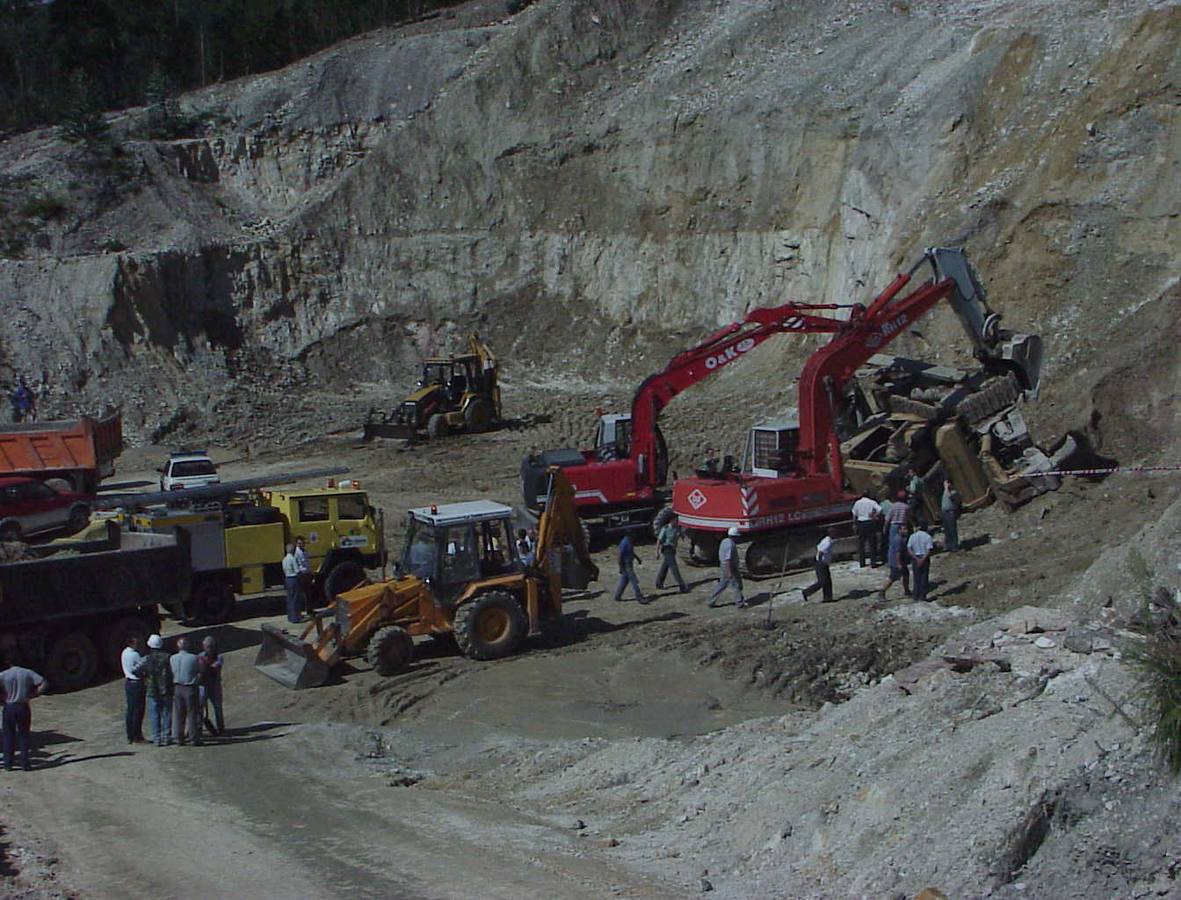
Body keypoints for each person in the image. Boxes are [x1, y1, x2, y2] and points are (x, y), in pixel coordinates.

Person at [0, 653, 46, 771]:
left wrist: (2, 698)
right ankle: (25, 763)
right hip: (23, 706)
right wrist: (34, 694)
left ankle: (8, 763)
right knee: (23, 734)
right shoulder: (28, 673)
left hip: (9, 706)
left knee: (8, 735)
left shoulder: (4, 674)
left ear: (8, 662)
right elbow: (43, 682)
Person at [137, 634, 174, 747]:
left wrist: (145, 677)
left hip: (152, 690)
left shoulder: (147, 659)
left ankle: (157, 739)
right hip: (166, 689)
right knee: (167, 713)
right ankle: (166, 737)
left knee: (155, 715)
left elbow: (136, 671)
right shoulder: (168, 657)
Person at [170, 636, 203, 746]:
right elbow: (199, 672)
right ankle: (193, 738)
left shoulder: (172, 658)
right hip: (189, 687)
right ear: (187, 645)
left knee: (179, 714)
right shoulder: (194, 658)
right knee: (192, 713)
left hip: (177, 687)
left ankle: (179, 738)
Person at [707, 526, 746, 608]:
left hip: (724, 565)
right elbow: (727, 560)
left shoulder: (725, 541)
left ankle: (710, 601)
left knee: (723, 584)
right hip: (729, 567)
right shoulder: (730, 545)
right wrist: (729, 573)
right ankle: (739, 602)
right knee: (735, 584)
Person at [121, 636, 147, 744]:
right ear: (131, 643)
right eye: (136, 643)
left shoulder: (124, 653)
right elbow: (139, 667)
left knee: (130, 710)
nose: (138, 645)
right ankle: (137, 735)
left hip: (128, 683)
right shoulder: (134, 655)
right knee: (138, 710)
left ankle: (130, 735)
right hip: (136, 683)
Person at [801, 527, 839, 603]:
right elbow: (821, 552)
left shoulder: (828, 540)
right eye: (834, 532)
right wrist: (820, 562)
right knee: (822, 581)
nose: (836, 534)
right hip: (821, 563)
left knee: (827, 581)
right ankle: (806, 592)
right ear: (831, 533)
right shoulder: (827, 542)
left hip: (823, 563)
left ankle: (828, 598)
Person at [654, 515, 689, 594]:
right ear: (671, 521)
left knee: (665, 566)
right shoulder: (665, 528)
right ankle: (681, 585)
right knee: (674, 567)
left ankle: (659, 583)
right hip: (667, 548)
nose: (676, 522)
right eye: (675, 521)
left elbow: (682, 535)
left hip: (673, 549)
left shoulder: (677, 528)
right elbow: (659, 540)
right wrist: (657, 552)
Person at [879, 522, 912, 601]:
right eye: (903, 529)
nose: (905, 531)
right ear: (899, 530)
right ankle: (882, 592)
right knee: (892, 578)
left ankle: (907, 591)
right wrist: (899, 564)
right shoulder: (898, 539)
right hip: (896, 562)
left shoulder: (902, 538)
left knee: (906, 575)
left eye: (906, 529)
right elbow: (898, 553)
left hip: (901, 562)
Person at [198, 636, 224, 736]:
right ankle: (198, 728)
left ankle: (220, 728)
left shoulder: (219, 657)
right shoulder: (200, 656)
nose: (207, 648)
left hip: (214, 685)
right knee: (200, 708)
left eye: (209, 646)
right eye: (205, 646)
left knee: (218, 707)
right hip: (203, 686)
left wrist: (203, 665)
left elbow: (215, 667)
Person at [612, 533, 647, 604]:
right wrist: (620, 567)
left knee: (624, 581)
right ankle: (639, 597)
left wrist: (637, 558)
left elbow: (631, 552)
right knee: (634, 581)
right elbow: (620, 555)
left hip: (629, 563)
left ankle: (617, 596)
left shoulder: (629, 541)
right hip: (626, 564)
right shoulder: (624, 542)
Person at [851, 490, 882, 568]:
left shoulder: (857, 503)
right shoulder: (872, 502)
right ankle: (873, 562)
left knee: (861, 544)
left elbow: (854, 514)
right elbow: (880, 509)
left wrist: (854, 524)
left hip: (861, 523)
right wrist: (875, 515)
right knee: (872, 543)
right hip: (870, 522)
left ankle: (862, 562)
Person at [907, 522, 935, 603]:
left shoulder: (912, 536)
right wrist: (922, 559)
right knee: (924, 577)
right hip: (924, 557)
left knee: (916, 577)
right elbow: (929, 550)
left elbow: (909, 549)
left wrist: (916, 559)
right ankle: (923, 596)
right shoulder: (928, 537)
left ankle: (916, 595)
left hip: (915, 557)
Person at [293, 536, 314, 615]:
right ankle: (301, 611)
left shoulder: (305, 551)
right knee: (302, 594)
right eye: (299, 543)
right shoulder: (296, 553)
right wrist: (299, 574)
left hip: (307, 574)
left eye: (302, 543)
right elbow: (296, 564)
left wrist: (311, 572)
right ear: (297, 544)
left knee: (308, 593)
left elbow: (307, 563)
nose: (301, 544)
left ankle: (309, 610)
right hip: (302, 575)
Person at [282, 543, 302, 623]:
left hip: (287, 579)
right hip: (293, 579)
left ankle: (290, 617)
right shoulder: (293, 559)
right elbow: (297, 570)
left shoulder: (284, 559)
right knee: (295, 599)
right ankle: (295, 618)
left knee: (289, 599)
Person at [941, 479, 962, 552]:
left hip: (950, 512)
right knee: (947, 530)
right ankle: (948, 545)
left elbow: (950, 497)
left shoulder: (955, 492)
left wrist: (946, 488)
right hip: (944, 513)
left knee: (952, 529)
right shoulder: (945, 491)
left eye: (948, 483)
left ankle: (954, 546)